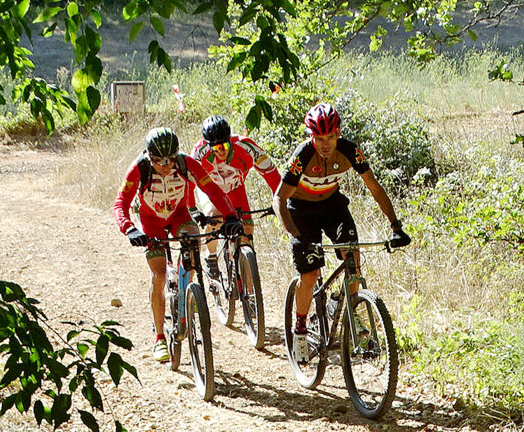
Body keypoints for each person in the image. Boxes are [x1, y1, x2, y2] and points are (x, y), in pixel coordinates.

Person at [272, 103, 411, 363]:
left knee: (353, 258)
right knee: (310, 273)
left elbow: (375, 187)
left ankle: (345, 307)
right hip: (300, 209)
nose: (325, 144)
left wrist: (396, 226)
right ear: (311, 137)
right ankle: (300, 330)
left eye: (331, 137)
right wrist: (295, 236)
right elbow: (279, 200)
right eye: (319, 139)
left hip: (332, 206)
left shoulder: (349, 150)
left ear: (338, 133)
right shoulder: (303, 154)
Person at [113, 127, 243, 363]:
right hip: (150, 221)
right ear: (149, 156)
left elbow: (212, 189)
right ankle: (160, 337)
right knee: (159, 274)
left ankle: (187, 295)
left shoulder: (187, 164)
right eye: (158, 160)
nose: (164, 165)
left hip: (178, 215)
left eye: (170, 159)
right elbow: (120, 203)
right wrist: (129, 228)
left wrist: (230, 216)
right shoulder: (139, 168)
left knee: (192, 242)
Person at [190, 115, 281, 279]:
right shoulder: (199, 151)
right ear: (208, 145)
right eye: (216, 148)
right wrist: (192, 208)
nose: (222, 151)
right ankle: (211, 256)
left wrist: (279, 200)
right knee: (213, 217)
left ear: (230, 139)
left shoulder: (245, 146)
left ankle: (247, 286)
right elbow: (189, 181)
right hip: (210, 190)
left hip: (235, 188)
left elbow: (271, 173)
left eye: (225, 145)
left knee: (246, 228)